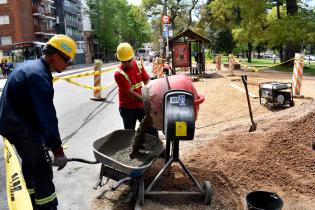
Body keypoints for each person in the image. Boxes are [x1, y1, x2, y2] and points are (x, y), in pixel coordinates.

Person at [0, 34, 77, 210]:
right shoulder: (39, 76)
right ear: (55, 55)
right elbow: (47, 117)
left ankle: (32, 202)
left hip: (13, 125)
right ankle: (47, 206)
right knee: (42, 170)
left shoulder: (32, 67)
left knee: (30, 165)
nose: (68, 65)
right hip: (22, 129)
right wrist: (57, 151)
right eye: (67, 60)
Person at [114, 42, 158, 137]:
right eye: (123, 61)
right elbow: (131, 94)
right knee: (130, 134)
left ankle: (155, 149)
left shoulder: (138, 65)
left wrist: (154, 94)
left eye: (129, 61)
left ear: (133, 57)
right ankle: (132, 151)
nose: (126, 64)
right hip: (127, 109)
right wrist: (147, 100)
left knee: (151, 130)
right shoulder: (119, 74)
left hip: (141, 105)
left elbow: (147, 82)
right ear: (119, 59)